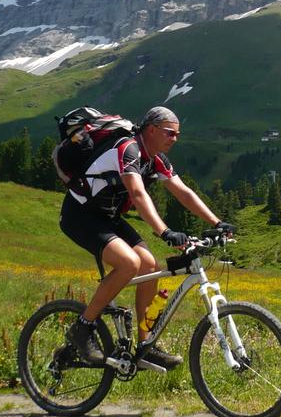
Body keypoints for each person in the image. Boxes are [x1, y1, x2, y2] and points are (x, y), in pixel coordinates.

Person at [59, 105, 234, 368]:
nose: (175, 139)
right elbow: (138, 194)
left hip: (108, 217)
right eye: (170, 133)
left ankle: (145, 344)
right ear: (151, 130)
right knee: (129, 263)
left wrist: (217, 222)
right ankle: (82, 329)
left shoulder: (156, 159)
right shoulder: (128, 149)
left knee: (149, 265)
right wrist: (164, 232)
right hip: (80, 215)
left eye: (177, 134)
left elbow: (183, 192)